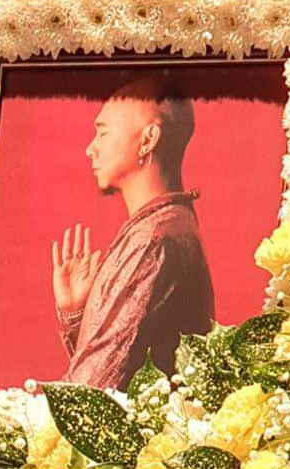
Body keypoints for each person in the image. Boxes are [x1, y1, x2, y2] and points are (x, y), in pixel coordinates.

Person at [50, 76, 214, 391]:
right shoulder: (162, 226)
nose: (90, 149)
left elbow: (93, 389)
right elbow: (117, 366)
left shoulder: (154, 240)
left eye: (103, 132)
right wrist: (77, 313)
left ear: (148, 139)